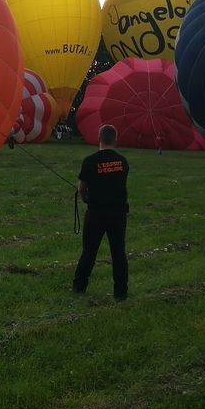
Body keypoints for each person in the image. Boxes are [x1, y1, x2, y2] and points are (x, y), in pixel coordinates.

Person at [73, 123, 130, 300]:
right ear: (115, 139)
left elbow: (81, 189)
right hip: (118, 214)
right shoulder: (122, 162)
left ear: (99, 138)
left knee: (89, 252)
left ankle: (79, 287)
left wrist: (86, 199)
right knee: (118, 252)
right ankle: (121, 292)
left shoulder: (90, 161)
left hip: (96, 213)